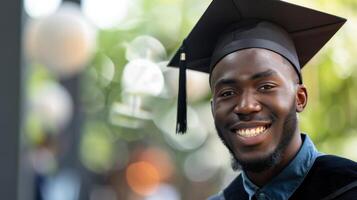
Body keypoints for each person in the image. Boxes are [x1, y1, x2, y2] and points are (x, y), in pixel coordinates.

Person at [168, 0, 357, 199]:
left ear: (299, 98)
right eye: (227, 93)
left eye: (266, 87)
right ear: (214, 109)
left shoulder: (348, 188)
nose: (246, 106)